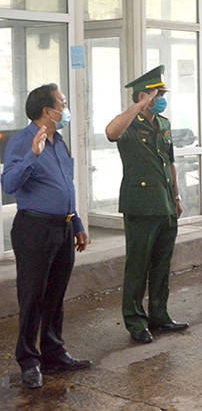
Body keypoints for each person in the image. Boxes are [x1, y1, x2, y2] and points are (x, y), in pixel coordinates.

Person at [1, 84, 91, 389]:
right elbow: (9, 184)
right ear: (46, 111)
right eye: (62, 104)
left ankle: (53, 352)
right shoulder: (22, 141)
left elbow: (66, 185)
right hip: (34, 228)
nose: (65, 109)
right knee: (33, 296)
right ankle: (29, 361)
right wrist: (31, 156)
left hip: (63, 227)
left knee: (55, 294)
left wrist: (76, 222)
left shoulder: (60, 140)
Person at [105, 65, 188, 344]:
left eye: (162, 93)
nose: (162, 98)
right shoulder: (130, 125)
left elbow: (170, 162)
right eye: (158, 94)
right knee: (138, 265)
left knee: (162, 264)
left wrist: (176, 196)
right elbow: (111, 132)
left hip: (165, 203)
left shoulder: (163, 124)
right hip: (140, 205)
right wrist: (138, 105)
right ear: (144, 96)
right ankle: (135, 320)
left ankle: (159, 315)